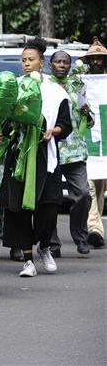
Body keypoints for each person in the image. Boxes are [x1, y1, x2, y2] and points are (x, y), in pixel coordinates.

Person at [0, 38, 72, 277]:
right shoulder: (14, 87)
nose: (27, 64)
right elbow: (5, 121)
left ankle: (45, 246)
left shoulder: (56, 91)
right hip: (20, 155)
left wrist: (55, 131)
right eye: (23, 60)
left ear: (42, 62)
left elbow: (65, 124)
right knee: (19, 209)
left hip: (45, 153)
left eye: (31, 60)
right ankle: (28, 260)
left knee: (49, 207)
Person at [48, 51, 91, 255]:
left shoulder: (78, 85)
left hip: (75, 150)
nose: (62, 65)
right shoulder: (44, 85)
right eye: (58, 61)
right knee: (51, 199)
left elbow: (89, 121)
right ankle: (52, 244)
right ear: (51, 64)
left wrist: (86, 114)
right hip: (51, 148)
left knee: (82, 194)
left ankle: (81, 238)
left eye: (66, 62)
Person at [82, 37, 107, 249]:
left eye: (100, 58)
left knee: (99, 185)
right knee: (89, 185)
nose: (97, 61)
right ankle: (94, 227)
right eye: (94, 58)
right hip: (87, 138)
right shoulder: (80, 82)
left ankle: (94, 225)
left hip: (104, 139)